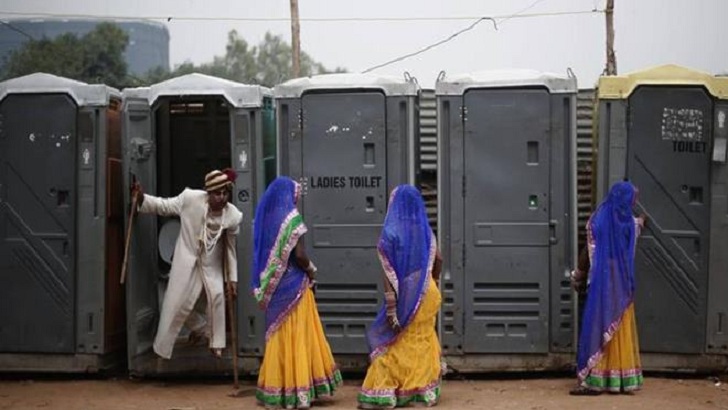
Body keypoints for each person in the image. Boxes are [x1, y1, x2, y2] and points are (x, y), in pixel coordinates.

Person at [131, 169, 243, 359]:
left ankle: (216, 344)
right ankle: (165, 346)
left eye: (225, 193)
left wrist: (232, 278)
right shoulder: (190, 199)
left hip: (212, 264)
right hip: (186, 261)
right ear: (208, 194)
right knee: (175, 302)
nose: (222, 198)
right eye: (217, 194)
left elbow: (230, 249)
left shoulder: (232, 215)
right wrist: (142, 198)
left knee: (216, 298)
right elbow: (164, 206)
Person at [251, 176, 342, 409]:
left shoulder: (266, 221)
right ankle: (300, 390)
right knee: (299, 336)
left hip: (275, 290)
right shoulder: (292, 220)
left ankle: (278, 390)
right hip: (294, 286)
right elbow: (300, 255)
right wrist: (312, 270)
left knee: (279, 336)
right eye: (296, 195)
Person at [358, 184, 443, 409]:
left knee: (392, 339)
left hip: (405, 293)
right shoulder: (425, 231)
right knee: (421, 339)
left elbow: (388, 272)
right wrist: (432, 282)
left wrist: (392, 306)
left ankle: (384, 393)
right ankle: (420, 392)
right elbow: (440, 260)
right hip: (428, 293)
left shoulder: (391, 231)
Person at [570, 181, 646, 395]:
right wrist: (642, 221)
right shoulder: (629, 224)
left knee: (599, 325)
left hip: (601, 285)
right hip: (621, 288)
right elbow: (637, 226)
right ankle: (621, 380)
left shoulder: (598, 220)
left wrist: (578, 274)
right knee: (618, 327)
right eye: (632, 199)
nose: (633, 202)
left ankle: (595, 380)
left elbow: (589, 250)